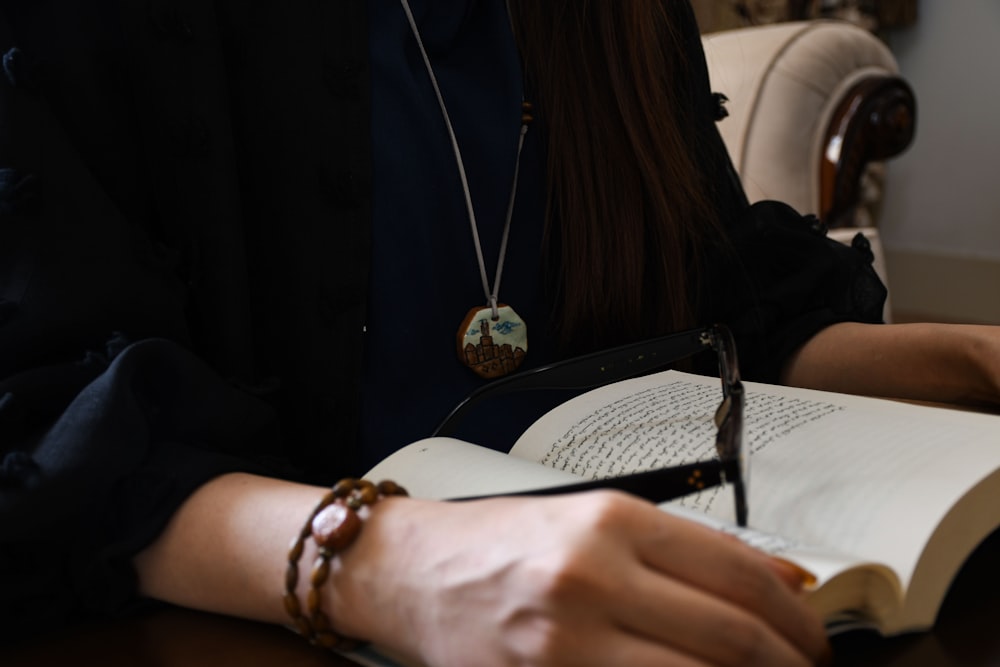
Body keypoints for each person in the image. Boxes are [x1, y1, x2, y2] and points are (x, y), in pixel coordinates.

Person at [0, 1, 997, 665]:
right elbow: (51, 427)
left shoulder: (616, 21)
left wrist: (965, 358)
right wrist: (380, 563)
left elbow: (721, 300)